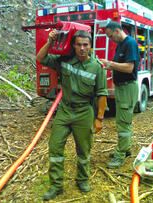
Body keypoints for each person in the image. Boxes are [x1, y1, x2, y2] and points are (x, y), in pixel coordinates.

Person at [36, 29, 108, 200]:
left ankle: (82, 179)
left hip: (84, 112)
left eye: (85, 44)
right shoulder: (65, 60)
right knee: (55, 147)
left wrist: (99, 118)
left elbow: (102, 93)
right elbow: (40, 58)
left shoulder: (97, 67)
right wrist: (50, 42)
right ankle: (56, 185)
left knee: (84, 150)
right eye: (78, 44)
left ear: (90, 46)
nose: (82, 48)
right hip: (64, 110)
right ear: (74, 45)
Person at [100, 21, 139, 169]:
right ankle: (126, 148)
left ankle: (120, 155)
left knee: (123, 122)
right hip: (122, 88)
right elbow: (120, 66)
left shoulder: (130, 43)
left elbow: (129, 68)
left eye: (110, 36)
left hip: (128, 87)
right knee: (123, 120)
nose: (110, 39)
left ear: (117, 31)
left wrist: (109, 64)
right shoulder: (121, 45)